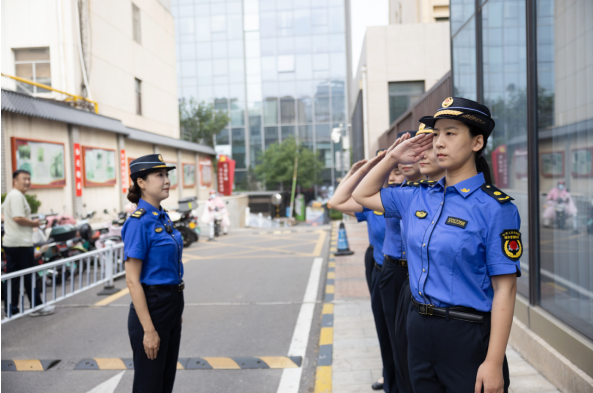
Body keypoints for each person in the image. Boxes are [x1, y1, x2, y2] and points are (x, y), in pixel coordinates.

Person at [353, 97, 520, 393]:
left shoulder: (495, 207)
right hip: (418, 328)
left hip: (466, 334)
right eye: (436, 134)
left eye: (450, 133)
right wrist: (391, 157)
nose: (439, 142)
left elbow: (505, 289)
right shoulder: (417, 197)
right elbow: (363, 194)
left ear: (477, 142)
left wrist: (493, 363)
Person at [329, 149, 405, 393]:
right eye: (388, 171)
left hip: (402, 273)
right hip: (378, 265)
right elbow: (336, 202)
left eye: (398, 170)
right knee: (384, 328)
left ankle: (397, 378)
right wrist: (356, 171)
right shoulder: (376, 203)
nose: (392, 177)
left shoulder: (407, 199)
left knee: (399, 333)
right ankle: (388, 374)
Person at [122, 154, 185, 393]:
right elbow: (132, 280)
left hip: (171, 304)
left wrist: (175, 309)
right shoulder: (138, 223)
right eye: (159, 175)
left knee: (165, 382)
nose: (166, 180)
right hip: (152, 307)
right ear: (142, 182)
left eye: (167, 174)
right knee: (149, 385)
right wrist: (149, 330)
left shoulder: (162, 216)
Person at [1, 170, 55, 317]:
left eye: (29, 179)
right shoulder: (17, 196)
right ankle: (36, 307)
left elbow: (3, 214)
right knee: (30, 275)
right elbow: (18, 217)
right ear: (15, 181)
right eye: (24, 179)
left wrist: (11, 225)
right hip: (21, 243)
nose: (27, 182)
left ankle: (11, 310)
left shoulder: (11, 195)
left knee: (13, 278)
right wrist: (34, 223)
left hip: (11, 242)